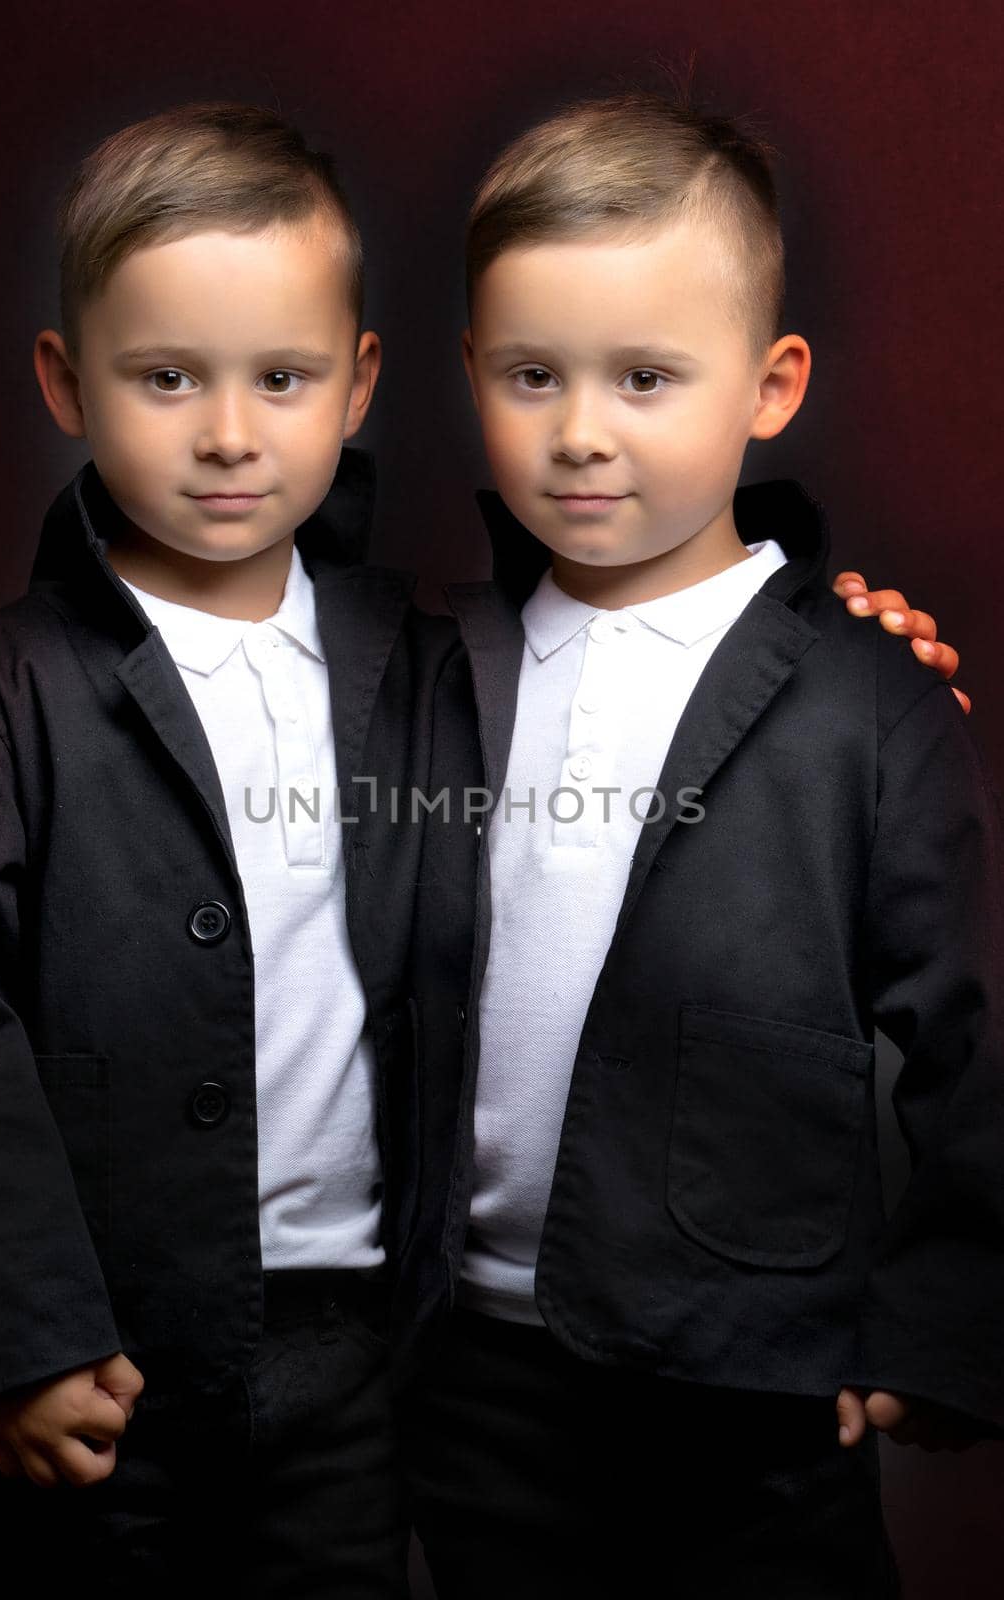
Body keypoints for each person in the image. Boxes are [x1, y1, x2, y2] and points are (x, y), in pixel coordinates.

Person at [401, 88, 1002, 1599]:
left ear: (771, 383)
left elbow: (973, 1028)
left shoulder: (861, 691)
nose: (582, 431)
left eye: (648, 377)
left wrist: (945, 1314)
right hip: (471, 1360)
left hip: (751, 1376)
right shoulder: (422, 666)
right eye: (531, 374)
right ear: (470, 371)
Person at [0, 101, 454, 1598]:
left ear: (356, 385)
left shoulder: (420, 653)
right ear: (65, 380)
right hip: (104, 1363)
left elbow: (617, 642)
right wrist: (18, 1334)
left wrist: (818, 616)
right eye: (166, 378)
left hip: (355, 1353)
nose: (230, 433)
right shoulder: (8, 687)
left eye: (280, 378)